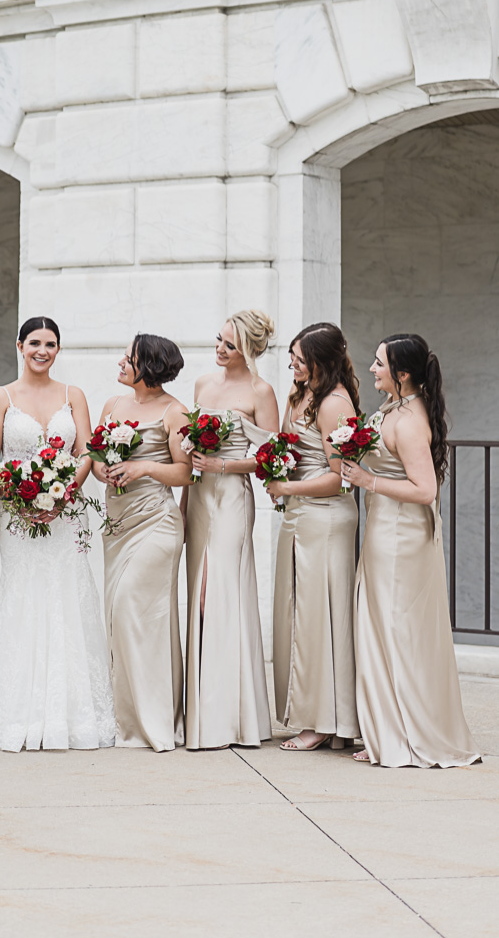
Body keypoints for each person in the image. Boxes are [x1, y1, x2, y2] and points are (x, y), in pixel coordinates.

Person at [0, 317, 114, 752]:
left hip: (66, 516)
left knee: (68, 598)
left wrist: (65, 493)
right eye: (34, 343)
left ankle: (72, 716)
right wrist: (21, 498)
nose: (42, 350)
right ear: (19, 345)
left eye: (50, 344)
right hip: (18, 518)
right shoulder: (1, 397)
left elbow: (85, 450)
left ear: (58, 349)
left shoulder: (74, 396)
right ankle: (17, 713)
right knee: (23, 599)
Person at [344, 334, 478, 768]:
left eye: (379, 363)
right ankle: (389, 731)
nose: (371, 369)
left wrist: (369, 481)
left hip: (401, 538)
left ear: (402, 374)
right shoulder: (393, 409)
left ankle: (406, 734)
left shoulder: (408, 420)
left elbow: (425, 490)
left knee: (398, 632)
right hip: (384, 530)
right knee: (383, 629)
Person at [183, 310, 276, 750]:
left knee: (220, 591)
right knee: (199, 594)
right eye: (218, 341)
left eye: (229, 345)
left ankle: (232, 715)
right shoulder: (203, 384)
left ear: (249, 350)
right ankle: (205, 710)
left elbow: (273, 456)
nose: (220, 350)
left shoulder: (261, 391)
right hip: (200, 497)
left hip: (233, 497)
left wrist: (222, 463)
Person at [94, 334, 191, 752]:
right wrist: (106, 472)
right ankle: (125, 718)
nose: (120, 362)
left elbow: (186, 473)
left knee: (137, 609)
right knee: (118, 616)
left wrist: (143, 468)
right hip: (118, 522)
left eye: (129, 358)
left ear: (148, 366)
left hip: (156, 521)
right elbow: (96, 458)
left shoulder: (176, 412)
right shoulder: (113, 406)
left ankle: (153, 720)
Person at [266, 323, 361, 751]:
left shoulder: (335, 404)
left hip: (325, 517)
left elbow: (343, 479)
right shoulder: (302, 394)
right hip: (300, 515)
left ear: (320, 362)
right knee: (299, 611)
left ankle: (323, 719)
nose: (293, 364)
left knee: (318, 616)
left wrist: (287, 487)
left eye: (300, 359)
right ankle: (309, 710)